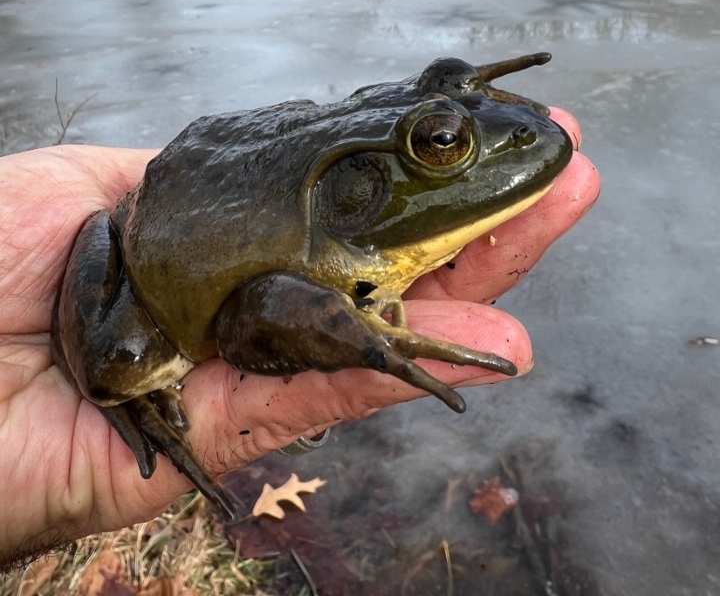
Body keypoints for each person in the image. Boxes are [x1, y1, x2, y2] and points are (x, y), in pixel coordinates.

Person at [0, 110, 599, 568]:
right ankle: (122, 386)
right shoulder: (324, 258)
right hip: (150, 283)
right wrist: (362, 338)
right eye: (443, 144)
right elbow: (248, 322)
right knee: (120, 365)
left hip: (201, 178)